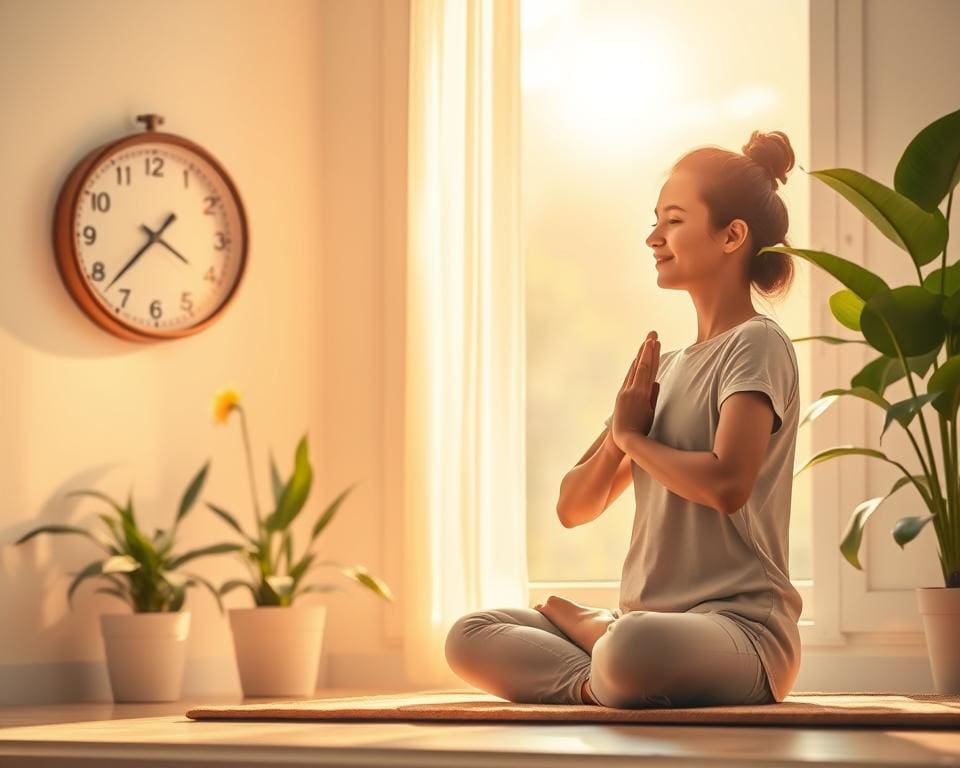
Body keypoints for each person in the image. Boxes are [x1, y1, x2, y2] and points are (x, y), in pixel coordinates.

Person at [444, 130, 803, 708]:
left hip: (740, 633)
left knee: (634, 646)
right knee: (471, 634)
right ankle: (600, 675)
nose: (653, 237)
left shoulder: (758, 344)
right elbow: (573, 508)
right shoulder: (666, 367)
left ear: (732, 235)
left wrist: (634, 438)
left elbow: (727, 484)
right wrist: (619, 437)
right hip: (648, 627)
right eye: (655, 221)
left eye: (674, 221)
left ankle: (606, 646)